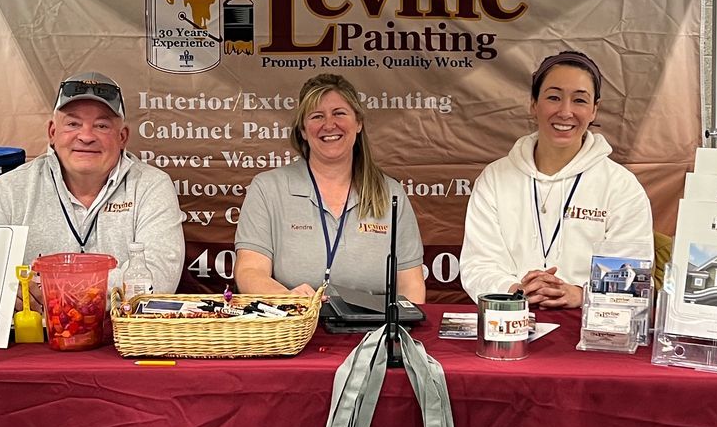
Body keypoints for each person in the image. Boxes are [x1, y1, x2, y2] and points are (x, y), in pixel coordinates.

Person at [459, 49, 653, 309]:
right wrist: (515, 291)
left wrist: (580, 294)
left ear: (595, 110)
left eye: (580, 101)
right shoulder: (495, 178)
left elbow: (632, 275)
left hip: (589, 326)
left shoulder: (621, 186)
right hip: (509, 319)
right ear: (534, 104)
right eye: (553, 97)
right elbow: (478, 264)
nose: (565, 111)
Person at [0, 71, 184, 290]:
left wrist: (50, 289)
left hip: (121, 325)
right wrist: (9, 292)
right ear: (52, 132)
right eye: (72, 124)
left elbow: (158, 279)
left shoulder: (151, 186)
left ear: (122, 137)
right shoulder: (7, 191)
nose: (86, 136)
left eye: (102, 126)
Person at [236, 72, 426, 302]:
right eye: (317, 116)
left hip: (374, 332)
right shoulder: (268, 188)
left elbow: (410, 285)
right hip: (295, 328)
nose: (329, 125)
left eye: (339, 113)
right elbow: (249, 272)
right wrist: (288, 298)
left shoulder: (390, 192)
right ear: (303, 130)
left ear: (358, 123)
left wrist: (397, 335)